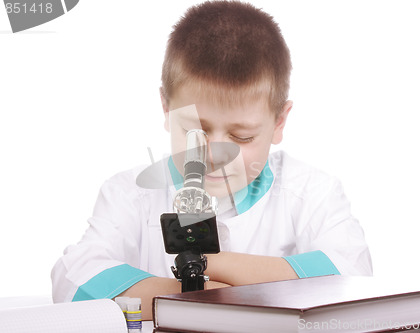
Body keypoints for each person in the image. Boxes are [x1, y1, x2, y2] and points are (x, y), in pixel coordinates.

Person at [51, 1, 372, 320]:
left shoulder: (312, 193)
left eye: (242, 137)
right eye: (194, 131)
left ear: (279, 122)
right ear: (166, 108)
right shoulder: (129, 194)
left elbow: (353, 277)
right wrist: (195, 298)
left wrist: (212, 270)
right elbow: (74, 279)